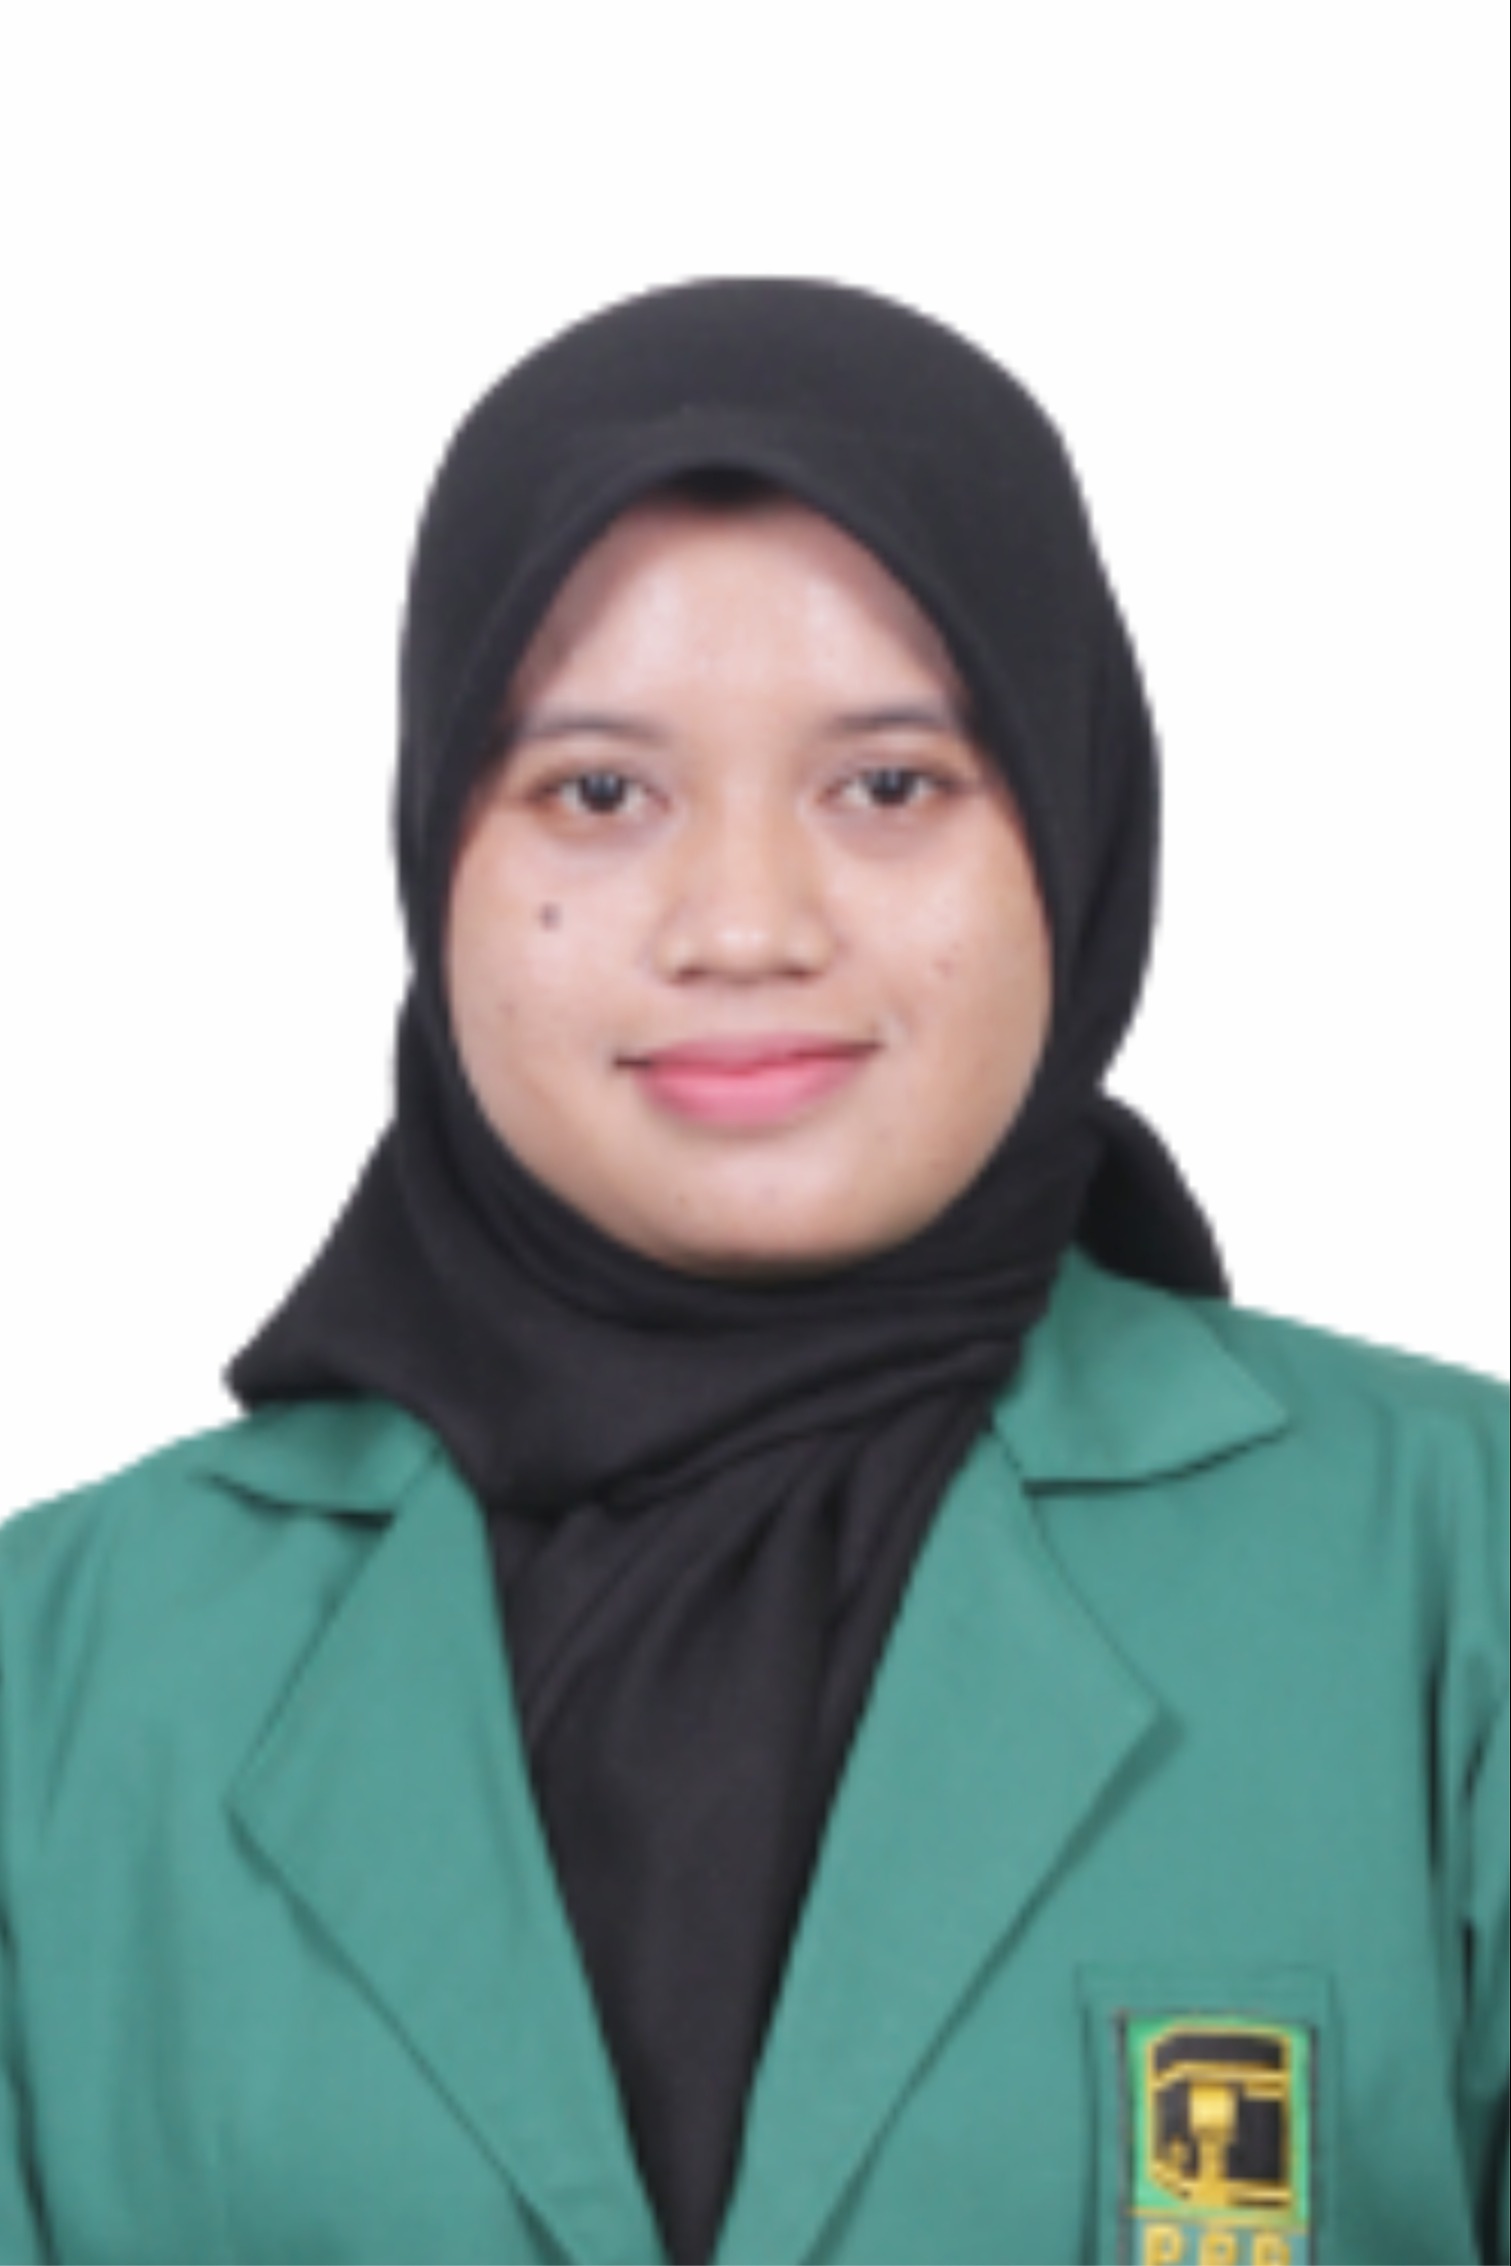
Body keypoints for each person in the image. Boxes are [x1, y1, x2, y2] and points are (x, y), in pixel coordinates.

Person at [0, 279, 1504, 2266]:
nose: (741, 924)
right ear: (435, 847)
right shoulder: (53, 1672)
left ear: (1070, 829)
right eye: (597, 791)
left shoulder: (1454, 1574)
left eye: (888, 784)